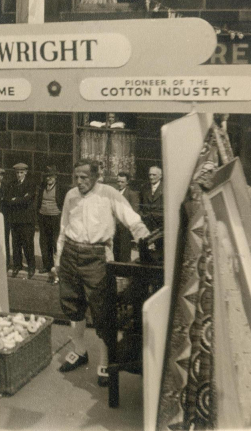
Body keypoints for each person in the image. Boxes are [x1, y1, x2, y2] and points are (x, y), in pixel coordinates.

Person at [53, 160, 150, 386]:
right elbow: (63, 228)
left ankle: (105, 360)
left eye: (84, 177)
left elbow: (132, 219)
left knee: (102, 310)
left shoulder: (109, 194)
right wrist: (58, 259)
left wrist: (147, 241)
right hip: (70, 253)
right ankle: (79, 350)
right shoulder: (70, 196)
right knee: (71, 305)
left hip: (97, 256)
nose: (79, 182)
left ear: (97, 176)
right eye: (77, 177)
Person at [6, 163, 36, 278]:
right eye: (17, 173)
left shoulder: (31, 184)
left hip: (26, 220)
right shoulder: (12, 184)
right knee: (16, 244)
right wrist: (20, 199)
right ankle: (17, 266)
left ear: (25, 172)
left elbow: (27, 200)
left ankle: (31, 267)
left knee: (28, 244)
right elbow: (8, 200)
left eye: (21, 172)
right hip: (15, 220)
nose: (19, 175)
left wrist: (16, 200)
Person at [36, 165, 67, 276]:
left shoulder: (60, 188)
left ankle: (57, 266)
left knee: (55, 242)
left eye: (51, 176)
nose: (49, 178)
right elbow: (38, 201)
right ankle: (47, 266)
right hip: (43, 217)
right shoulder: (42, 187)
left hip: (55, 218)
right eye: (47, 176)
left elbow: (64, 203)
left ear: (55, 177)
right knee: (44, 242)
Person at [113, 171, 140, 262]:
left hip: (124, 227)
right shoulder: (114, 193)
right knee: (114, 250)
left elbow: (134, 211)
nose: (120, 184)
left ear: (127, 182)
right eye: (118, 181)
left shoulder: (132, 194)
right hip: (114, 226)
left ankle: (124, 272)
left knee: (124, 251)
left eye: (122, 182)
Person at [139, 165, 164, 232]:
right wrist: (143, 216)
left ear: (160, 176)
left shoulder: (165, 188)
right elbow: (140, 205)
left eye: (154, 175)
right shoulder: (144, 187)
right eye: (150, 175)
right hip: (146, 224)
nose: (151, 177)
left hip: (160, 225)